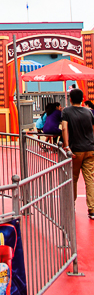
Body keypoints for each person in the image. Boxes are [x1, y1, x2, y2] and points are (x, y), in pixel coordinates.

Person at [61, 88, 94, 220]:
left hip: (76, 150)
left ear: (70, 99)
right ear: (82, 99)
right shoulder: (89, 112)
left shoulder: (66, 111)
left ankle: (72, 205)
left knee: (73, 178)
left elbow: (64, 128)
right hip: (90, 149)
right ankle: (92, 209)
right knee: (90, 179)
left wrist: (67, 146)